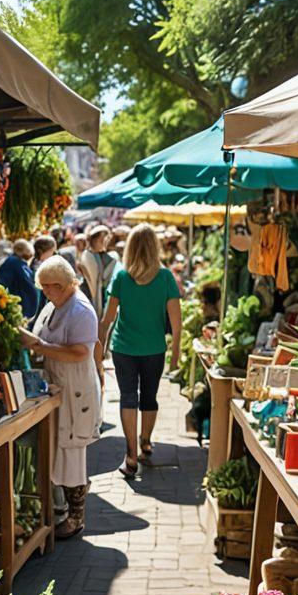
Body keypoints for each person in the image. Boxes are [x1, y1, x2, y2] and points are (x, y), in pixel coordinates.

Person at [20, 255, 102, 539]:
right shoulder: (54, 305)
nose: (43, 292)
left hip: (75, 392)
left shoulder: (80, 310)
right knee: (60, 452)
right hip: (57, 389)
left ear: (63, 284)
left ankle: (76, 517)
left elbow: (81, 352)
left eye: (47, 287)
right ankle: (62, 510)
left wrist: (40, 347)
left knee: (72, 454)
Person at [97, 222, 182, 478]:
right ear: (154, 247)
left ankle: (131, 455)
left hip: (123, 348)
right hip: (154, 349)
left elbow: (107, 318)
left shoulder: (121, 276)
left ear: (131, 248)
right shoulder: (166, 277)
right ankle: (145, 441)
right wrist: (176, 354)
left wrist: (98, 349)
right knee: (149, 397)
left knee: (128, 398)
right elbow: (176, 324)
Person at [80, 224, 119, 317]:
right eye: (100, 239)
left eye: (105, 239)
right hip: (89, 293)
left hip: (102, 294)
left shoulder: (107, 256)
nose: (103, 242)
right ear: (93, 240)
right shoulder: (88, 255)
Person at [0, 238, 38, 321]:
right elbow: (1, 284)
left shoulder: (22, 263)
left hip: (26, 311)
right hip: (19, 310)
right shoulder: (12, 262)